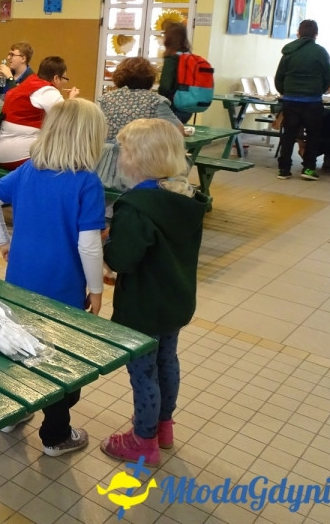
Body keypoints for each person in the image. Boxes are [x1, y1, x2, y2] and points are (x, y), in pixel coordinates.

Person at [0, 99, 107, 457]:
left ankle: (11, 414)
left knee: (17, 348)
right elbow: (89, 245)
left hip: (17, 286)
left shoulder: (29, 170)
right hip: (62, 293)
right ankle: (55, 436)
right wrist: (96, 290)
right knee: (61, 364)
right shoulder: (87, 183)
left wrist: (3, 243)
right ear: (90, 139)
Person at [100, 118, 208, 467]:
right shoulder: (187, 198)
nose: (119, 158)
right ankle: (164, 428)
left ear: (137, 158)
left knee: (143, 372)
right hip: (176, 298)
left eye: (123, 151)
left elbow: (123, 259)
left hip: (143, 306)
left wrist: (105, 246)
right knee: (167, 362)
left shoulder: (135, 206)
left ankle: (142, 441)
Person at [96, 57, 183, 191]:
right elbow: (177, 130)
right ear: (150, 78)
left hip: (103, 166)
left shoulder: (106, 99)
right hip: (139, 167)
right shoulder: (155, 101)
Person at [0, 55, 77, 169]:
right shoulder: (47, 90)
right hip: (20, 157)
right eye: (64, 79)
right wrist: (72, 99)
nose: (64, 83)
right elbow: (68, 120)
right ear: (56, 78)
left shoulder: (30, 82)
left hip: (2, 152)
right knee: (70, 156)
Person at [274, 19, 330, 181]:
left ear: (298, 33)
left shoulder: (289, 51)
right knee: (313, 135)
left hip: (291, 100)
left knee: (289, 135)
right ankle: (308, 169)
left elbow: (279, 77)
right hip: (312, 101)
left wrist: (286, 92)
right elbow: (328, 77)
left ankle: (284, 170)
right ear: (316, 34)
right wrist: (318, 91)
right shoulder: (320, 52)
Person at [156, 22, 194, 124]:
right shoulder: (188, 56)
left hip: (173, 105)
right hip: (188, 104)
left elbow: (165, 85)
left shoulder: (172, 59)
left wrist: (158, 101)